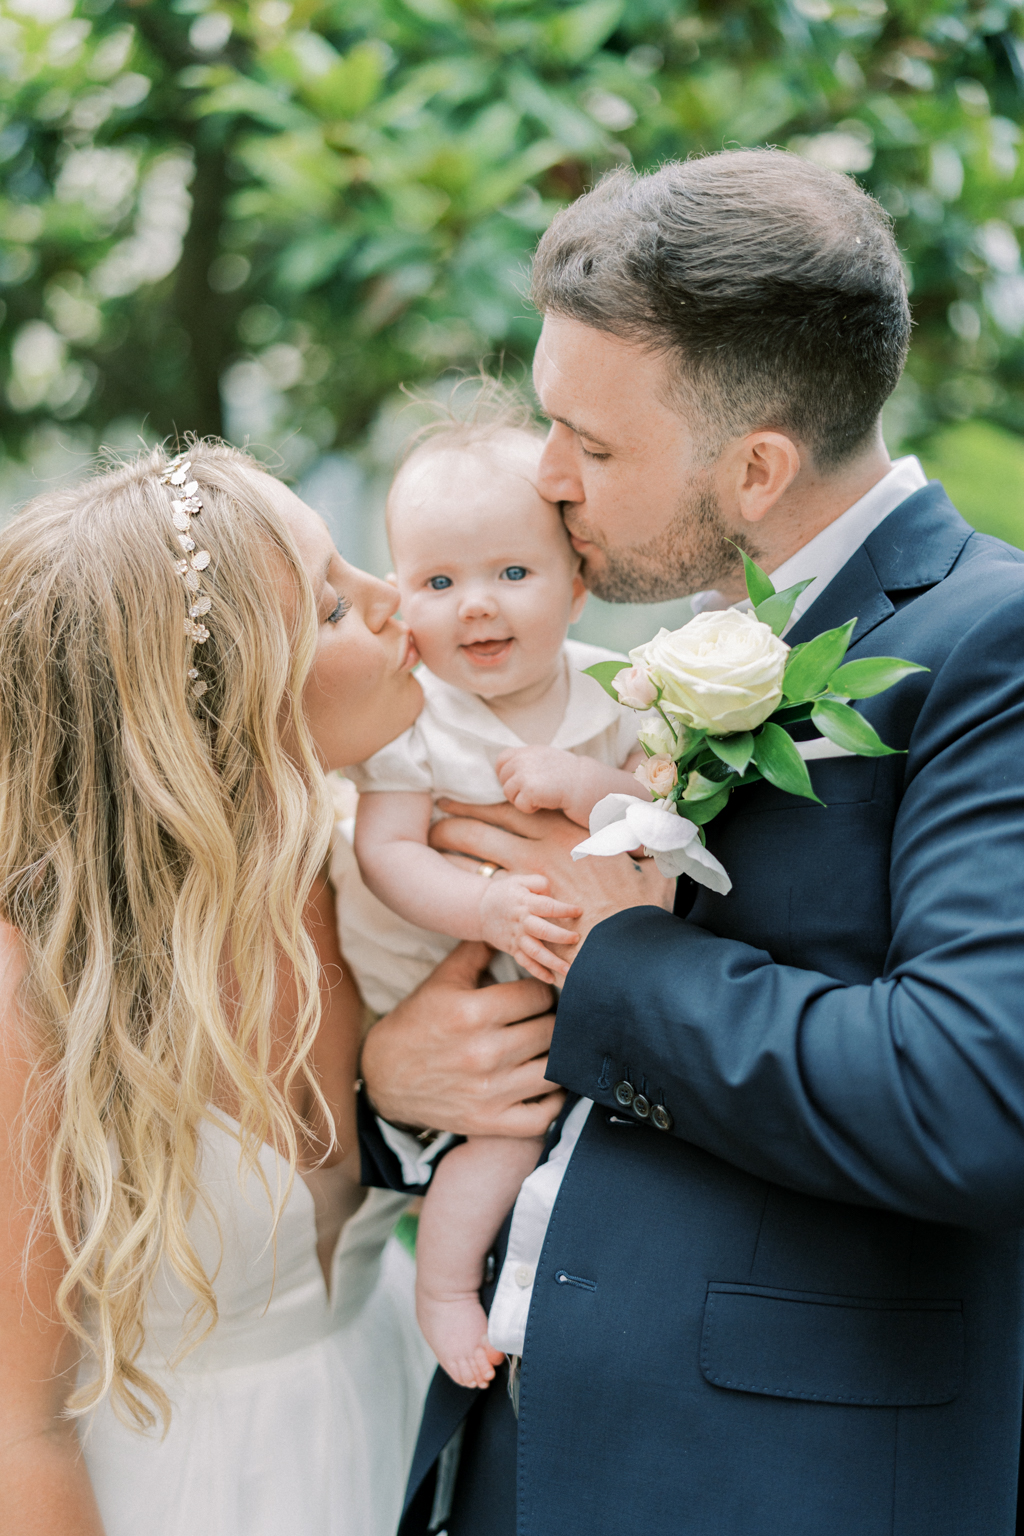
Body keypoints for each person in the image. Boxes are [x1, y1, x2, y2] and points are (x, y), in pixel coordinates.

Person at [355, 149, 1024, 1536]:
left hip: (758, 1489)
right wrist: (403, 1088)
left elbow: (969, 1097)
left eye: (591, 447)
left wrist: (612, 956)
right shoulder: (647, 652)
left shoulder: (986, 645)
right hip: (509, 1446)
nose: (546, 477)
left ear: (757, 466)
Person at [0, 439, 491, 1536]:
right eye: (329, 609)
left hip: (390, 1429)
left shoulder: (383, 867)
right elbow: (13, 1426)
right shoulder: (36, 988)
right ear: (208, 716)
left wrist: (385, 1093)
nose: (391, 599)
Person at [340, 415, 644, 1391]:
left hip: (581, 969)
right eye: (438, 583)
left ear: (578, 580)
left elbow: (655, 816)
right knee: (502, 1134)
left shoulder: (614, 696)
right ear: (400, 600)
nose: (476, 607)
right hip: (456, 967)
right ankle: (441, 1290)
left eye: (512, 573)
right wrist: (485, 906)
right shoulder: (415, 720)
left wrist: (587, 785)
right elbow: (385, 851)